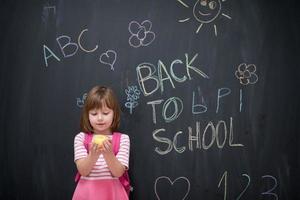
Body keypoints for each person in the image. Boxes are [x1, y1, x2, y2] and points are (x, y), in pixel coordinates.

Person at [72, 86, 130, 200]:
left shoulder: (123, 139)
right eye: (94, 113)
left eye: (105, 113)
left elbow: (118, 173)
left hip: (113, 192)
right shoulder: (81, 138)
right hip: (87, 193)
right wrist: (93, 155)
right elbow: (83, 171)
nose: (99, 118)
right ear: (87, 115)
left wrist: (108, 154)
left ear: (114, 114)